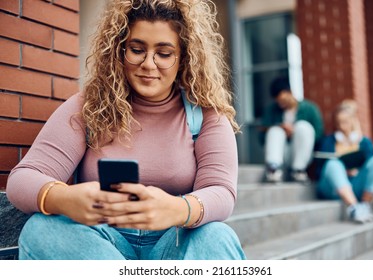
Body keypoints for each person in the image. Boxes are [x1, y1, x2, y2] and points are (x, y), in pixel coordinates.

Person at [6, 0, 246, 260]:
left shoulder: (207, 115)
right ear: (120, 50)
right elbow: (23, 179)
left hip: (173, 241)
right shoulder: (88, 105)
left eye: (164, 54)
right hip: (101, 243)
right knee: (41, 231)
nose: (149, 64)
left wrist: (178, 208)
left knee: (217, 236)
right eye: (137, 49)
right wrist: (64, 198)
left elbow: (221, 191)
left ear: (184, 57)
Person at [316, 100, 373, 223]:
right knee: (333, 164)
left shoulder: (364, 142)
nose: (341, 126)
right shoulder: (328, 141)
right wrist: (341, 171)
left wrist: (357, 171)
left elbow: (372, 170)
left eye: (345, 122)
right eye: (338, 123)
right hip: (333, 187)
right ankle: (354, 207)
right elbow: (319, 171)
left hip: (356, 184)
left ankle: (365, 205)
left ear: (353, 122)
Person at [261, 76, 324, 183]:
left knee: (303, 126)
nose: (281, 103)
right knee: (275, 131)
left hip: (302, 154)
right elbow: (262, 138)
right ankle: (273, 169)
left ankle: (299, 170)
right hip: (282, 154)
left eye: (283, 99)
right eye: (278, 101)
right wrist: (281, 128)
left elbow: (318, 134)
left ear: (290, 92)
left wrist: (295, 131)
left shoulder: (309, 108)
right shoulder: (271, 110)